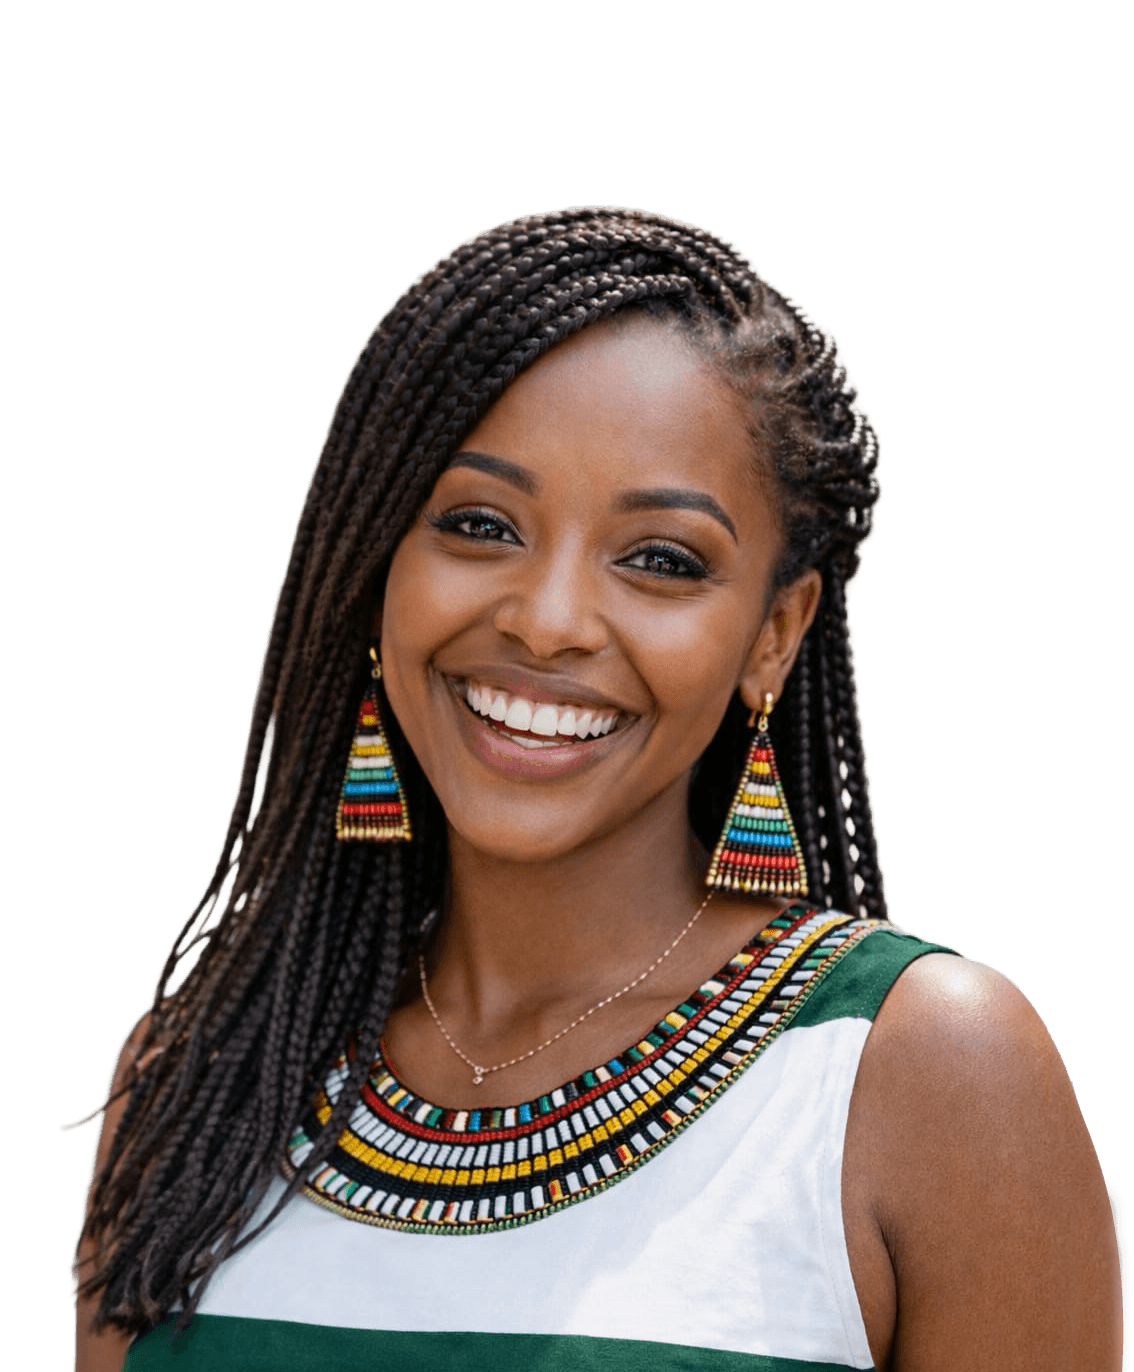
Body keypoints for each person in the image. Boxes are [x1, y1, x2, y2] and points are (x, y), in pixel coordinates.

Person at [73, 206, 1123, 1372]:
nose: (549, 620)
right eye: (479, 525)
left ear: (774, 632)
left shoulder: (914, 1071)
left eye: (661, 559)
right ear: (378, 565)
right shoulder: (205, 1078)